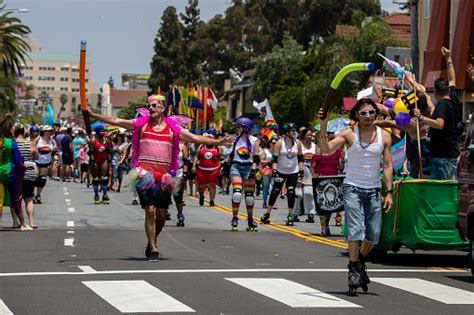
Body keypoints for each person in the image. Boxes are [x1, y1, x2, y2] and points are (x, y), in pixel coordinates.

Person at [85, 94, 232, 261]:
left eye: (154, 106)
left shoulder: (173, 130)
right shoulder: (141, 126)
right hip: (144, 175)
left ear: (162, 109)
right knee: (150, 210)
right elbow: (116, 121)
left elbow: (196, 138)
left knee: (161, 214)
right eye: (149, 106)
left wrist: (219, 142)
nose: (151, 109)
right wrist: (93, 115)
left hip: (164, 177)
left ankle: (152, 240)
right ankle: (153, 248)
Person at [318, 98, 393, 296]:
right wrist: (324, 125)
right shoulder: (349, 134)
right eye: (363, 113)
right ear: (356, 116)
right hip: (352, 188)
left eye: (371, 112)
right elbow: (325, 150)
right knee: (355, 230)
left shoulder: (384, 136)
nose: (368, 116)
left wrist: (389, 191)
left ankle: (359, 260)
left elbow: (387, 165)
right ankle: (353, 268)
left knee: (374, 234)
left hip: (374, 190)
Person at [414, 47, 463, 180]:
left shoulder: (442, 104)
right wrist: (448, 58)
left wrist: (421, 117)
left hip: (443, 157)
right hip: (449, 154)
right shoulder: (453, 97)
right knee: (449, 190)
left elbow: (439, 124)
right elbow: (452, 78)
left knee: (442, 191)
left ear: (436, 92)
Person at [260, 122, 304, 226]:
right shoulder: (280, 143)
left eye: (295, 131)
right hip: (280, 170)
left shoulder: (297, 143)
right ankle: (267, 213)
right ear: (287, 132)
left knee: (291, 192)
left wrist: (301, 169)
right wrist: (274, 171)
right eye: (292, 131)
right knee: (275, 191)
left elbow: (300, 157)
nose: (294, 133)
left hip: (293, 171)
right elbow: (275, 158)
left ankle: (290, 214)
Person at [228, 117, 259, 232]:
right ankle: (235, 218)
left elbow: (256, 157)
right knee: (237, 193)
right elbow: (230, 153)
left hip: (249, 167)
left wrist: (253, 170)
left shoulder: (254, 140)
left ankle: (250, 219)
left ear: (245, 128)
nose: (236, 129)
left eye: (238, 126)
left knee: (249, 196)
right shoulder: (235, 139)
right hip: (236, 166)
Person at [311, 132, 345, 236]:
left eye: (333, 139)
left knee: (330, 205)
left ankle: (326, 225)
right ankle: (322, 227)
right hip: (321, 179)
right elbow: (313, 166)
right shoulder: (319, 151)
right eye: (329, 138)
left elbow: (341, 168)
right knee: (322, 205)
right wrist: (314, 174)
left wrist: (342, 160)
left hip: (333, 179)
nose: (331, 141)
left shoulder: (338, 152)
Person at [15, 125, 37, 229]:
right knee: (28, 199)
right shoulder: (30, 143)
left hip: (17, 174)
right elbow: (36, 156)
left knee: (17, 198)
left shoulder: (12, 143)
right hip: (29, 173)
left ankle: (19, 222)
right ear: (24, 133)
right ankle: (32, 222)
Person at [293, 128, 317, 223]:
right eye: (308, 135)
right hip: (299, 170)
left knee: (309, 193)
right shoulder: (299, 146)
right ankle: (295, 213)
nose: (310, 137)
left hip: (310, 172)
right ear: (303, 136)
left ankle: (310, 213)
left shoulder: (315, 147)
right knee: (298, 194)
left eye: (311, 135)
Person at [193, 133, 220, 207]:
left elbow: (221, 157)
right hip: (202, 169)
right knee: (201, 186)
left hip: (213, 169)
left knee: (212, 185)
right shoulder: (201, 146)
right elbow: (196, 156)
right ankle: (201, 196)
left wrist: (219, 158)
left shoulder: (217, 147)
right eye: (208, 138)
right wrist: (194, 166)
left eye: (211, 138)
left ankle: (212, 201)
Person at [31, 125, 57, 204]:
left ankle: (38, 195)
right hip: (36, 161)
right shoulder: (38, 139)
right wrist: (36, 151)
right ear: (44, 132)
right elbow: (32, 146)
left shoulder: (52, 141)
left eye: (51, 131)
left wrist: (51, 150)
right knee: (35, 178)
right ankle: (32, 194)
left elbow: (55, 148)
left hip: (46, 162)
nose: (50, 133)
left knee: (42, 180)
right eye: (48, 131)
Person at [89, 125, 111, 204]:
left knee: (104, 178)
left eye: (104, 131)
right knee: (96, 179)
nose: (103, 132)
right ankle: (96, 195)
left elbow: (109, 151)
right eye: (101, 131)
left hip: (104, 160)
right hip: (95, 160)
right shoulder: (93, 140)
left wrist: (110, 161)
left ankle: (105, 194)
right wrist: (92, 162)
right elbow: (90, 153)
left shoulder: (107, 140)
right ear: (98, 132)